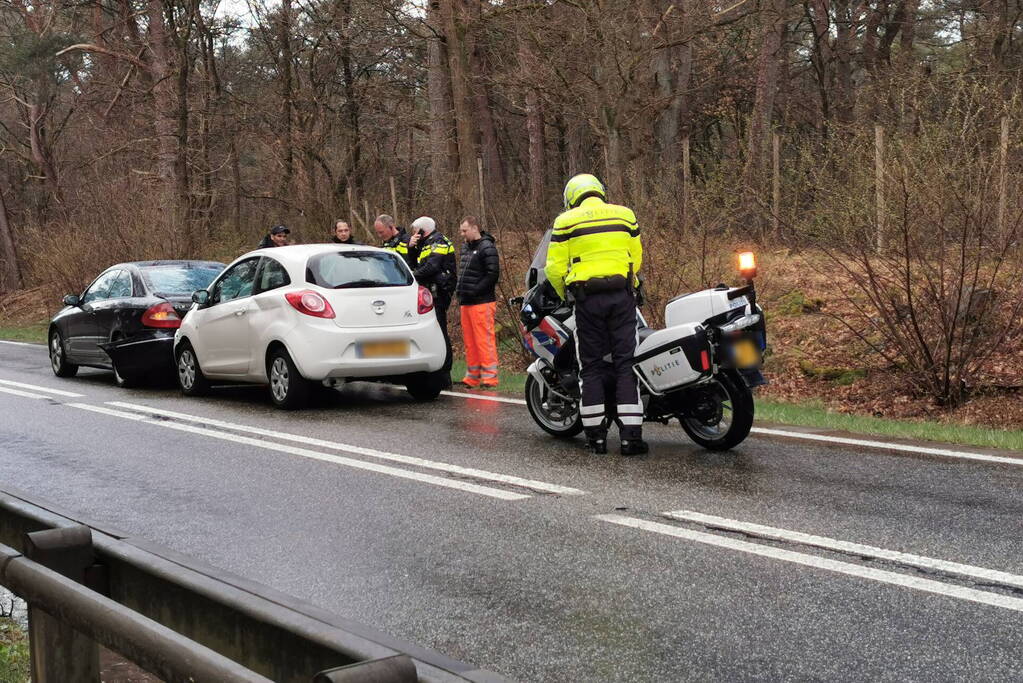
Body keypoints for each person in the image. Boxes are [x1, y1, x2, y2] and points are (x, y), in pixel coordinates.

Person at [544, 173, 646, 457]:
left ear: (572, 198)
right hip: (621, 296)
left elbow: (553, 267)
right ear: (599, 191)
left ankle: (596, 439)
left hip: (587, 300)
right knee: (627, 363)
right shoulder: (625, 216)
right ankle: (631, 438)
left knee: (590, 367)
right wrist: (631, 282)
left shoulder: (566, 221)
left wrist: (565, 291)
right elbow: (635, 257)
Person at [409, 216, 456, 382]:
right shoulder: (426, 243)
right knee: (434, 331)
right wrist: (412, 248)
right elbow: (417, 262)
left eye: (416, 231)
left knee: (441, 331)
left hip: (440, 292)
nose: (414, 234)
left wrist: (411, 276)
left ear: (423, 230)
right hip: (430, 292)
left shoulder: (439, 242)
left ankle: (445, 374)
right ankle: (436, 372)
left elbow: (432, 266)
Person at [456, 216, 500, 388]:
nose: (462, 234)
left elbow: (492, 274)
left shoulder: (487, 247)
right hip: (466, 301)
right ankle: (473, 376)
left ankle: (490, 377)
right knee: (470, 341)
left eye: (464, 230)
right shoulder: (466, 247)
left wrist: (475, 290)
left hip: (482, 302)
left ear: (475, 228)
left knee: (484, 340)